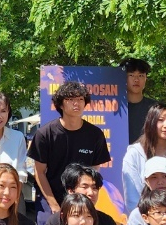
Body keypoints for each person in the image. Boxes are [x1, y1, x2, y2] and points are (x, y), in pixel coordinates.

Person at [28, 80, 111, 217]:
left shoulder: (95, 134)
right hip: (50, 198)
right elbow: (39, 172)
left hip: (81, 200)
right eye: (70, 99)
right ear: (61, 104)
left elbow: (94, 170)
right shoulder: (45, 134)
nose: (76, 103)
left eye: (80, 99)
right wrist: (53, 204)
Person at [39, 163, 124, 225]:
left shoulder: (107, 222)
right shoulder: (55, 222)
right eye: (85, 187)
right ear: (70, 190)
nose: (91, 192)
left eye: (94, 188)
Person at [122, 104, 166, 212]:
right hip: (145, 216)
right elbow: (132, 197)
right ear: (151, 122)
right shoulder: (134, 154)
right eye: (161, 120)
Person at [122, 58, 159, 144]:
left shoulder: (155, 108)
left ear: (146, 78)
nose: (136, 80)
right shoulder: (114, 107)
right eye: (131, 75)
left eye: (141, 75)